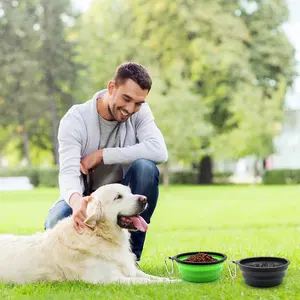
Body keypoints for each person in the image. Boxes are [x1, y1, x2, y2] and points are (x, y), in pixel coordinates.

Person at [44, 62, 168, 262]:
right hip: (85, 196)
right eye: (126, 98)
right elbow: (68, 173)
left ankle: (130, 260)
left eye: (138, 103)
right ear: (111, 87)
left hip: (122, 198)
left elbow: (159, 151)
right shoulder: (75, 119)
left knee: (146, 168)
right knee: (56, 221)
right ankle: (85, 262)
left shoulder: (140, 112)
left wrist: (103, 155)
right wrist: (77, 203)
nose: (130, 109)